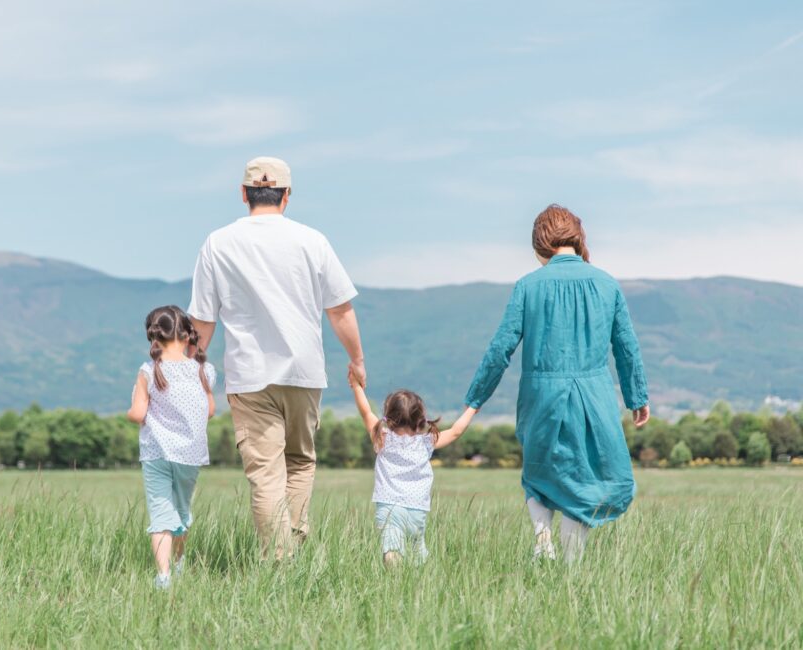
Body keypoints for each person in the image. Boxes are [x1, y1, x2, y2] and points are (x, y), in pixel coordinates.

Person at [187, 156, 365, 559]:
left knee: (266, 475)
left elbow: (202, 319)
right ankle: (292, 557)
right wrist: (357, 360)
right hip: (304, 372)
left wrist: (194, 369)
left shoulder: (218, 242)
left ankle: (279, 561)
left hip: (249, 377)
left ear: (243, 194)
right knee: (300, 463)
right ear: (287, 195)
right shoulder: (312, 240)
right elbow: (340, 310)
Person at [459, 204, 650, 562]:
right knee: (586, 476)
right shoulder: (607, 284)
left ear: (539, 246)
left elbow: (500, 348)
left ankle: (542, 538)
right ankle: (570, 565)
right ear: (578, 240)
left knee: (538, 473)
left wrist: (474, 402)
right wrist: (636, 395)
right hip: (593, 395)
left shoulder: (527, 286)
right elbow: (626, 346)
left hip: (540, 394)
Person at [127, 305, 216, 589]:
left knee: (161, 515)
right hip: (190, 456)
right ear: (188, 336)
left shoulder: (148, 371)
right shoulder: (204, 371)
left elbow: (139, 414)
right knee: (182, 510)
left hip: (156, 454)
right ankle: (179, 563)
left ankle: (163, 576)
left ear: (153, 338)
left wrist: (130, 411)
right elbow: (210, 410)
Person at [350, 376, 475, 565]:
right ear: (419, 420)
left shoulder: (382, 437)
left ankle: (393, 562)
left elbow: (366, 412)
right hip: (418, 509)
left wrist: (356, 386)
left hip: (389, 506)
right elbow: (456, 431)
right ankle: (418, 575)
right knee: (416, 549)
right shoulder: (426, 442)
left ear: (389, 417)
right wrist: (473, 407)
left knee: (392, 546)